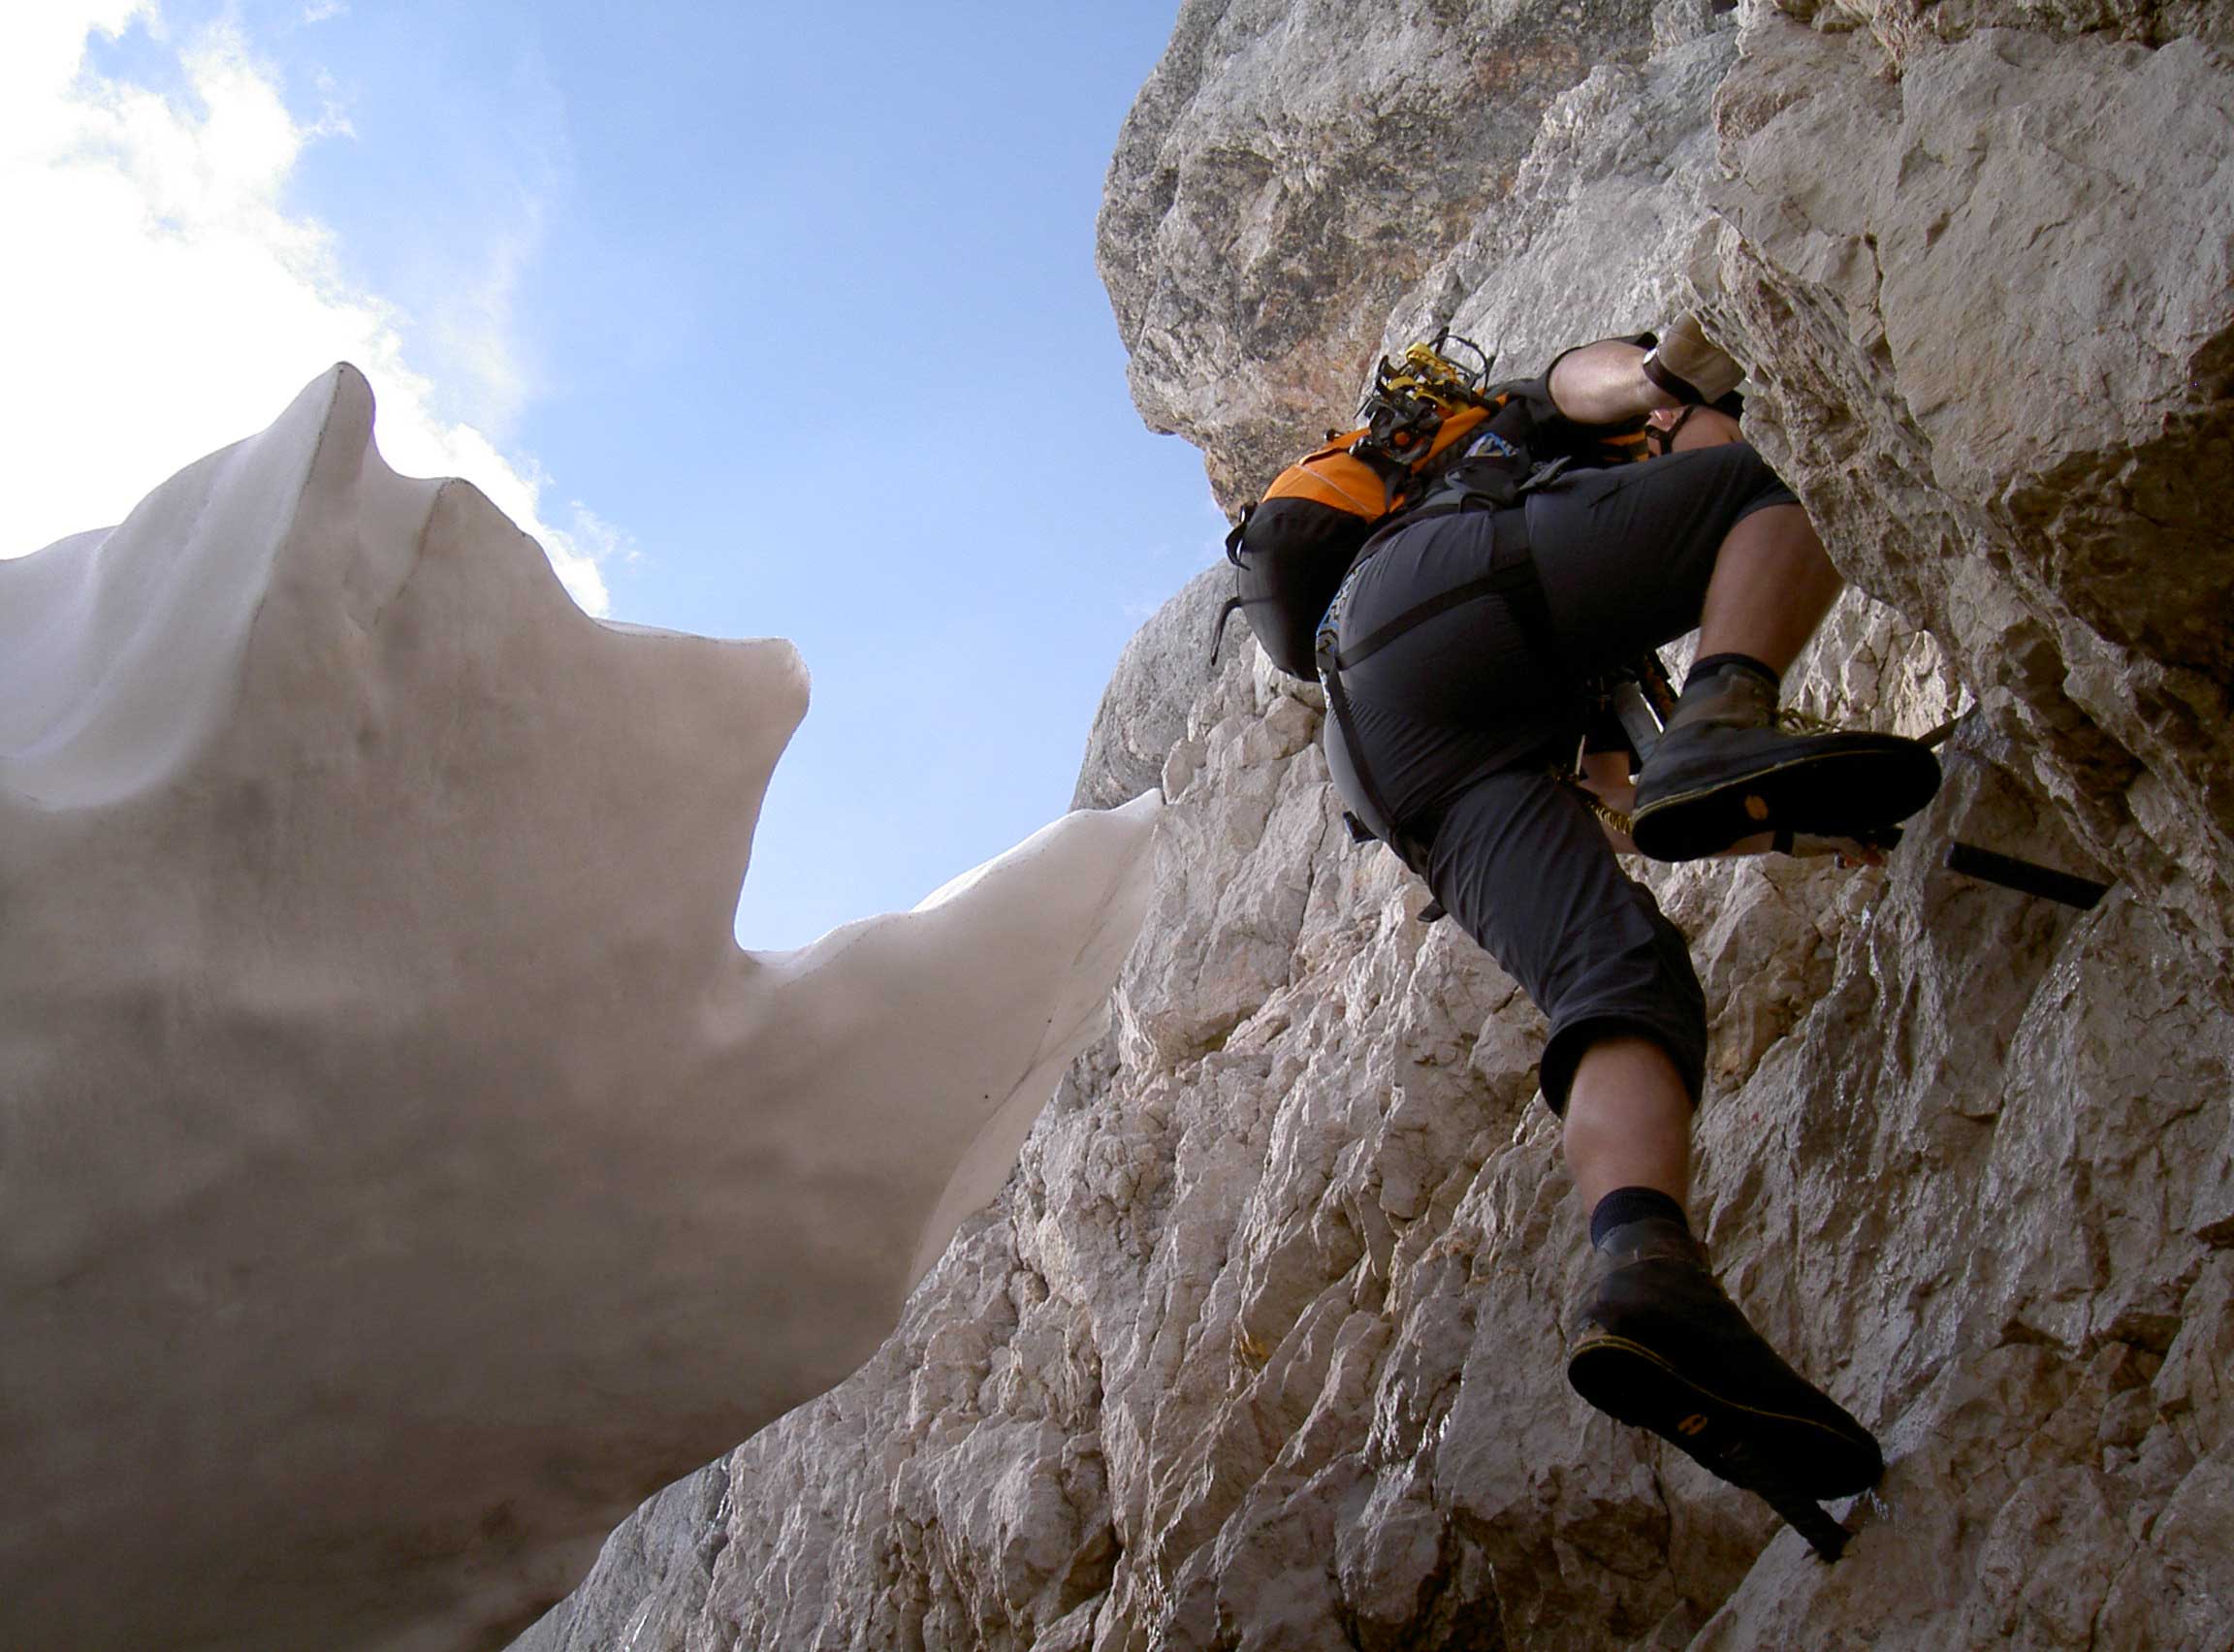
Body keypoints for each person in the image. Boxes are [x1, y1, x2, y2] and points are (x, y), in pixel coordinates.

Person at [1314, 324, 1940, 1545]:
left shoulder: (1546, 579)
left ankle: (1645, 1267)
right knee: (1797, 474)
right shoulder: (1518, 429)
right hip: (1443, 595)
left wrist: (1794, 827)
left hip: (1388, 756)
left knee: (1619, 980)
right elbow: (1596, 382)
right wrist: (1670, 381)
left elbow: (1633, 791)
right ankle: (1734, 704)